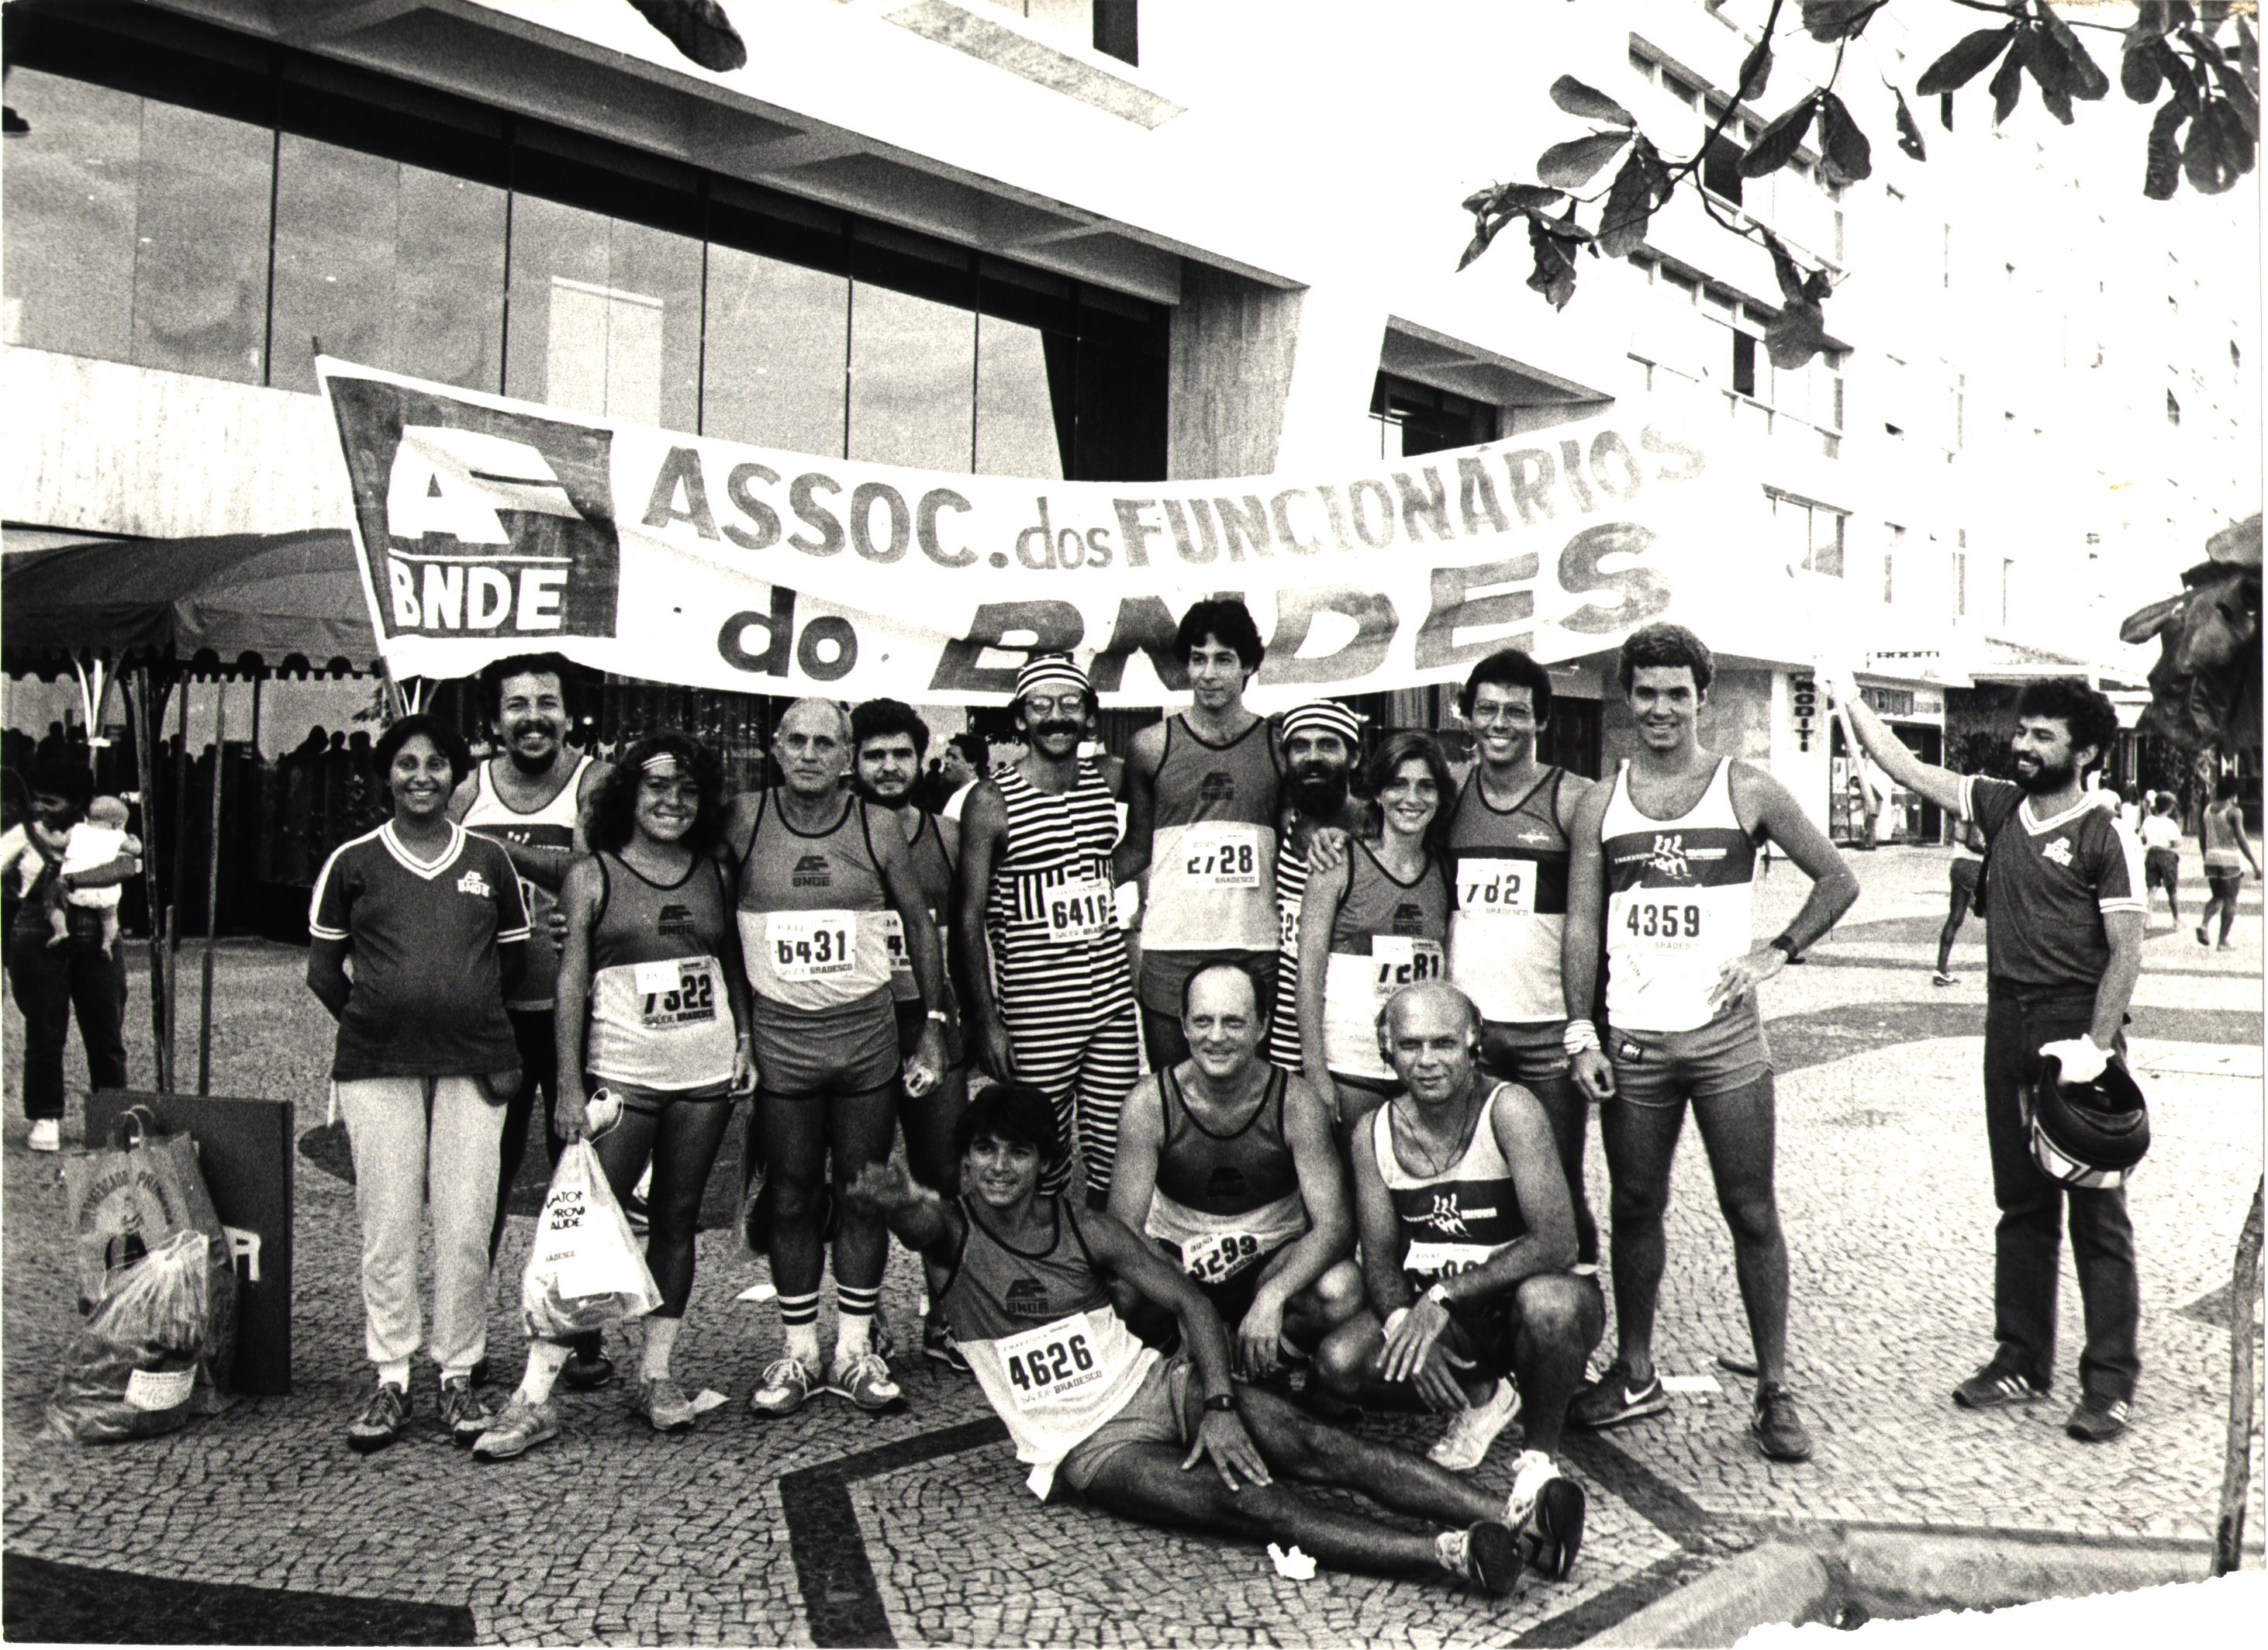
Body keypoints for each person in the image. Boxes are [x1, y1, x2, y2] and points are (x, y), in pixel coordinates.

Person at [847, 1083, 1537, 1596]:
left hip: (1156, 1385)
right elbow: (920, 1225)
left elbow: (1190, 1303)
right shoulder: (956, 1237)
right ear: (964, 1163)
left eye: (1016, 1152)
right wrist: (901, 1201)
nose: (998, 1167)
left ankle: (1516, 1517)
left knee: (1323, 1448)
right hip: (1088, 1446)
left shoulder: (1086, 1228)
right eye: (983, 1151)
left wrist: (1218, 1404)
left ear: (1042, 1163)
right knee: (1249, 1504)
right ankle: (1448, 1551)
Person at [1562, 624, 1858, 1462]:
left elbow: (1838, 876)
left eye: (1676, 693)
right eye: (1646, 693)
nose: (1660, 708)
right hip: (1638, 1041)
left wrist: (1779, 950)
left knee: (1751, 1208)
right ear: (1628, 697)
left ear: (1703, 695)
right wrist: (1581, 1029)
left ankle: (1773, 1386)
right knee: (1635, 1207)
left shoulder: (1746, 789)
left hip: (1727, 1042)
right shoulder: (1600, 800)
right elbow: (1584, 924)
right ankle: (1635, 1368)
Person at [1831, 671, 2146, 1441]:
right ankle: (2021, 1357)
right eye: (2024, 731)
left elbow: (2127, 954)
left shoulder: (2108, 833)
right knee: (2022, 1203)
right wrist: (1847, 696)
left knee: (2097, 1218)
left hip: (2075, 1034)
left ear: (2087, 749)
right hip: (2006, 1022)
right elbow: (1907, 767)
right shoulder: (1998, 804)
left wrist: (2095, 1051)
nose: (2025, 745)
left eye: (2044, 735)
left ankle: (2109, 1383)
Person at [473, 734, 754, 1458]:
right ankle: (535, 1395)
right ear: (629, 794)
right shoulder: (592, 874)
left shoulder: (715, 872)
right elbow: (569, 984)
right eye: (658, 789)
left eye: (688, 792)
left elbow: (731, 966)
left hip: (702, 1075)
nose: (672, 804)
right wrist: (567, 1086)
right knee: (584, 1231)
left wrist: (745, 1043)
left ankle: (656, 1375)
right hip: (621, 1078)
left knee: (677, 1221)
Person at [306, 716, 530, 1453]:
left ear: (457, 774)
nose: (422, 776)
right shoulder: (353, 861)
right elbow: (321, 972)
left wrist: (476, 1024)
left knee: (467, 1224)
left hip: (474, 1061)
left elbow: (518, 967)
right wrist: (380, 1018)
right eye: (406, 764)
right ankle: (390, 1376)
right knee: (388, 1220)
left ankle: (458, 1372)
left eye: (437, 763)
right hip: (378, 1065)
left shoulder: (490, 861)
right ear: (387, 775)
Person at [724, 698, 950, 1417]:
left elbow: (919, 925)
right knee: (790, 1193)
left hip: (864, 1040)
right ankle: (798, 1353)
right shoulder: (741, 817)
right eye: (798, 741)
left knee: (864, 1190)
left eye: (827, 742)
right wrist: (738, 1028)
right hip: (784, 1041)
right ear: (775, 747)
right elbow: (711, 915)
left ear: (846, 753)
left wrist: (935, 1025)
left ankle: (855, 1349)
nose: (812, 754)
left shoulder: (877, 824)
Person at [1314, 985, 1600, 1551]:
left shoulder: (1510, 1109)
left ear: (1473, 1043)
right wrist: (1402, 1326)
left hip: (1519, 1304)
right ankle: (1482, 1393)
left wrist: (1442, 1293)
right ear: (1385, 1050)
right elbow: (1377, 1256)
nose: (1426, 1061)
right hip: (1451, 1319)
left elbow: (1557, 1243)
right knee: (1337, 1364)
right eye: (1410, 1045)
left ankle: (1538, 1462)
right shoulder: (1371, 1131)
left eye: (1443, 1043)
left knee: (1550, 1303)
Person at [450, 654, 614, 1388]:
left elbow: (599, 878)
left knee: (575, 1177)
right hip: (494, 1015)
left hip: (578, 1017)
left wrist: (504, 857)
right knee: (480, 1179)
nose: (533, 717)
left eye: (546, 702)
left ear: (568, 713)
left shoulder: (596, 784)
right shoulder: (467, 793)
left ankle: (579, 1332)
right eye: (516, 706)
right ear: (493, 721)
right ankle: (467, 1336)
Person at [1106, 960, 1363, 1380]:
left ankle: (1267, 1363)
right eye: (1203, 1021)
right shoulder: (1148, 1103)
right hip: (1178, 1258)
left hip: (1268, 1262)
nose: (1217, 1037)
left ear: (1262, 1026)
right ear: (1184, 1025)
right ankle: (1188, 1365)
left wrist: (1272, 1298)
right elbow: (1123, 1231)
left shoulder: (1296, 1102)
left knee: (1343, 1288)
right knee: (1122, 1288)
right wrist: (1191, 1304)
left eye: (1234, 1022)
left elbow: (1335, 1226)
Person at [958, 657, 1141, 1202]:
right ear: (1020, 719)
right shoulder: (991, 800)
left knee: (1117, 1151)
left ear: (1089, 717)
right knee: (1039, 1154)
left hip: (1109, 1000)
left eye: (1070, 705)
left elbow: (1148, 829)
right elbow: (968, 919)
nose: (1056, 717)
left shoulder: (1104, 780)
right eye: (1041, 706)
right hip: (1036, 1008)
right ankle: (1043, 1271)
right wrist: (986, 1022)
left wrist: (1100, 874)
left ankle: (1105, 1273)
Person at [1443, 648, 1600, 1272]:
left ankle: (1572, 1333)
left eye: (1515, 711)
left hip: (1545, 1033)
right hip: (1468, 1035)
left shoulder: (1573, 798)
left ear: (1541, 720)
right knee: (1472, 1180)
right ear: (1467, 716)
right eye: (1486, 709)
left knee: (1557, 1184)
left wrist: (1582, 1028)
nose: (1499, 722)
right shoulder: (1449, 792)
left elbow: (1591, 921)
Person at [851, 697, 973, 1369]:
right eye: (874, 755)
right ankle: (859, 1319)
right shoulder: (838, 833)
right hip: (860, 1029)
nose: (889, 766)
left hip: (931, 1026)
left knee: (940, 1172)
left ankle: (944, 1316)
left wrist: (965, 1022)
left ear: (919, 756)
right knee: (861, 1176)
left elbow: (967, 934)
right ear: (854, 761)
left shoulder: (945, 837)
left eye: (901, 753)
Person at [1116, 599, 1284, 1072]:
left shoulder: (1277, 744)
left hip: (1254, 943)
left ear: (1249, 665)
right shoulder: (1150, 746)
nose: (1208, 673)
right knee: (1174, 1092)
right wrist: (1069, 879)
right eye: (1198, 658)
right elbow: (1135, 846)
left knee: (1249, 1094)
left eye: (1224, 659)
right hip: (1172, 944)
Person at [1296, 733, 1454, 1141]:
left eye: (1426, 786)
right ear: (1379, 794)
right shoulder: (1337, 861)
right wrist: (1315, 1070)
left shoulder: (1444, 870)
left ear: (1439, 798)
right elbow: (1308, 974)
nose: (1411, 798)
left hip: (1418, 1069)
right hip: (1349, 1064)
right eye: (1398, 784)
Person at [1, 757, 138, 1153]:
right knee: (45, 1030)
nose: (41, 808)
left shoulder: (104, 831)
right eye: (37, 799)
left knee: (106, 1031)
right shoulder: (26, 834)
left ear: (79, 802)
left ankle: (114, 1119)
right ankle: (46, 1116)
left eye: (51, 801)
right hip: (38, 933)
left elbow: (127, 865)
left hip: (98, 934)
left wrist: (72, 878)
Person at [1266, 702, 1373, 1079]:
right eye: (1301, 747)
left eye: (1328, 745)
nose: (1313, 757)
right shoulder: (1285, 823)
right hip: (1287, 1015)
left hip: (1351, 1017)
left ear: (1355, 755)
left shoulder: (1378, 826)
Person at [49, 795, 136, 958]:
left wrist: (53, 836)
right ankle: (107, 944)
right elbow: (135, 850)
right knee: (109, 917)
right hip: (104, 893)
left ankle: (60, 931)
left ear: (88, 816)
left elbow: (59, 843)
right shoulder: (118, 836)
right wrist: (133, 839)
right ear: (118, 824)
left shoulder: (77, 829)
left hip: (73, 888)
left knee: (55, 904)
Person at [2197, 775, 2257, 948]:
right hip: (2229, 859)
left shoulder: (2207, 810)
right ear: (2234, 792)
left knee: (2217, 896)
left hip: (2211, 857)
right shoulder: (2234, 812)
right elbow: (2241, 839)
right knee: (2230, 899)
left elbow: (2202, 837)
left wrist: (2205, 856)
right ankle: (2222, 941)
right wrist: (2254, 863)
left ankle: (2204, 924)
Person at [1935, 818, 1990, 986]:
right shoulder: (1977, 813)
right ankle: (1999, 973)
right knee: (1997, 918)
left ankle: (1941, 970)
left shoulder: (1961, 816)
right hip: (1975, 867)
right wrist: (1991, 849)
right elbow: (1973, 842)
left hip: (1958, 865)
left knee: (1955, 917)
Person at [2139, 793, 2183, 932]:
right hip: (2167, 856)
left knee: (2151, 889)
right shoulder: (2170, 823)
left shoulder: (2148, 821)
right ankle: (2176, 920)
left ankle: (2147, 920)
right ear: (2170, 808)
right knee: (2172, 889)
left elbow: (2141, 837)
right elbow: (2176, 843)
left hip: (2152, 854)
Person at [938, 732, 988, 824]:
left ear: (972, 764)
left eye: (954, 757)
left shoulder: (968, 798)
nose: (946, 761)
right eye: (947, 756)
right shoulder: (964, 793)